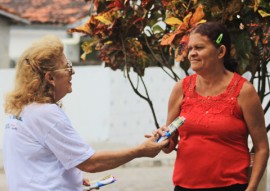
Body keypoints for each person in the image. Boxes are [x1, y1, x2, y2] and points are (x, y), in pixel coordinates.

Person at [3, 35, 168, 191]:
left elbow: (33, 162)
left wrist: (70, 179)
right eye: (67, 67)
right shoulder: (46, 113)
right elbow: (90, 163)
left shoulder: (22, 109)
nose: (72, 72)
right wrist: (139, 151)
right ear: (50, 78)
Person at [156, 22, 269, 191]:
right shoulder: (181, 89)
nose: (192, 54)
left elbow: (262, 147)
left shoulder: (244, 91)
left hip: (231, 186)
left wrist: (251, 188)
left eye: (199, 48)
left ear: (221, 52)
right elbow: (170, 143)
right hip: (184, 187)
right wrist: (163, 140)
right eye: (190, 48)